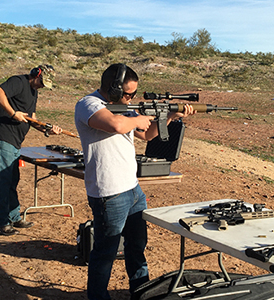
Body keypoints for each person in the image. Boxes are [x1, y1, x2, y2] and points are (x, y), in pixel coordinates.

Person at [74, 63, 196, 299]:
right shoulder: (89, 104)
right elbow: (117, 125)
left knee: (137, 247)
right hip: (109, 192)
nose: (131, 99)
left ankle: (142, 293)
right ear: (114, 88)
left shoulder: (122, 107)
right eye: (128, 94)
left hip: (133, 190)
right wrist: (138, 119)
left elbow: (147, 134)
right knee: (105, 252)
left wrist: (170, 115)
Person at [0, 64, 62, 235]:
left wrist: (47, 130)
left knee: (12, 179)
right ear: (36, 74)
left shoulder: (34, 92)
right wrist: (13, 113)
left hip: (14, 141)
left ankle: (13, 217)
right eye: (42, 82)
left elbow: (32, 119)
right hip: (2, 136)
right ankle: (1, 221)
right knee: (4, 180)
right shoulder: (18, 82)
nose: (42, 86)